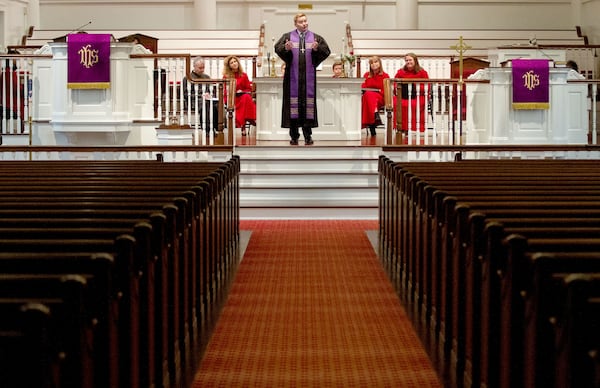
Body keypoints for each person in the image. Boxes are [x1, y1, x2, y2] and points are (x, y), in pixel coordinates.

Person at [275, 12, 330, 145]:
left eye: (305, 21)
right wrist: (285, 49)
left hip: (307, 80)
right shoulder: (288, 37)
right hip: (292, 78)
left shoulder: (315, 38)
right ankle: (294, 137)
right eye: (301, 22)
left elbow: (326, 51)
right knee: (293, 106)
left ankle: (308, 136)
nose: (304, 23)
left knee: (307, 106)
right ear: (295, 24)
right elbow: (277, 48)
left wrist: (317, 50)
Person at [394, 53, 429, 132]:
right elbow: (395, 83)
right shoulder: (400, 72)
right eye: (406, 60)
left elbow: (427, 86)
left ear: (415, 61)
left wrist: (414, 87)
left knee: (412, 105)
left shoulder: (422, 72)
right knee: (397, 103)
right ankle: (401, 128)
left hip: (418, 95)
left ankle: (412, 128)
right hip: (403, 95)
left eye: (410, 60)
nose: (408, 62)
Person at [222, 55, 256, 136]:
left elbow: (248, 89)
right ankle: (250, 120)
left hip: (243, 96)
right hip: (233, 98)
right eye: (231, 63)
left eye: (235, 61)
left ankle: (243, 125)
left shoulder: (243, 75)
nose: (234, 64)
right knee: (246, 99)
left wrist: (242, 91)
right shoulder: (226, 76)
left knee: (246, 97)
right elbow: (225, 90)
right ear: (229, 66)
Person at [183, 56, 219, 132]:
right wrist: (200, 96)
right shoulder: (187, 78)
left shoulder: (207, 77)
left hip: (207, 99)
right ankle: (207, 128)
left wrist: (209, 95)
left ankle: (216, 126)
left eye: (203, 67)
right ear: (194, 67)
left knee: (217, 104)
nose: (202, 70)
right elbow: (186, 94)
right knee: (206, 104)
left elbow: (211, 90)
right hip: (194, 100)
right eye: (200, 68)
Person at [361, 56, 389, 136]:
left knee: (369, 95)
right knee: (368, 95)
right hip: (368, 98)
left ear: (380, 63)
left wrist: (375, 92)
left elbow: (386, 90)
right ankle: (374, 115)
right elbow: (363, 87)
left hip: (380, 98)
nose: (374, 64)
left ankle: (372, 125)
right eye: (371, 63)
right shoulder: (366, 75)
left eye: (376, 62)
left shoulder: (385, 76)